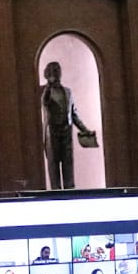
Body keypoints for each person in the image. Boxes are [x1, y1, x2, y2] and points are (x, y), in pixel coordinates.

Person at [41, 60, 95, 190]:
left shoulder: (68, 92)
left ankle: (70, 192)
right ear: (48, 74)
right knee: (53, 166)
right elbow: (45, 101)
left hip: (66, 132)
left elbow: (73, 114)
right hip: (52, 132)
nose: (57, 74)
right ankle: (56, 193)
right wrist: (49, 84)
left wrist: (85, 129)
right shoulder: (45, 91)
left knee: (68, 165)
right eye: (53, 71)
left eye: (58, 71)